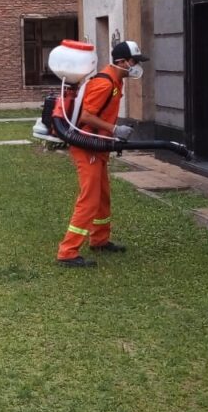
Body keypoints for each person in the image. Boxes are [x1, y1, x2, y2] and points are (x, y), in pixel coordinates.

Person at [56, 40, 149, 268]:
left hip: (98, 146)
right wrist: (115, 130)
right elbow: (87, 117)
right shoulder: (104, 84)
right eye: (134, 61)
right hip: (86, 146)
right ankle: (67, 252)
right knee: (89, 198)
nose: (136, 66)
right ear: (122, 62)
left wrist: (110, 134)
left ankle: (99, 239)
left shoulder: (116, 82)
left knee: (103, 195)